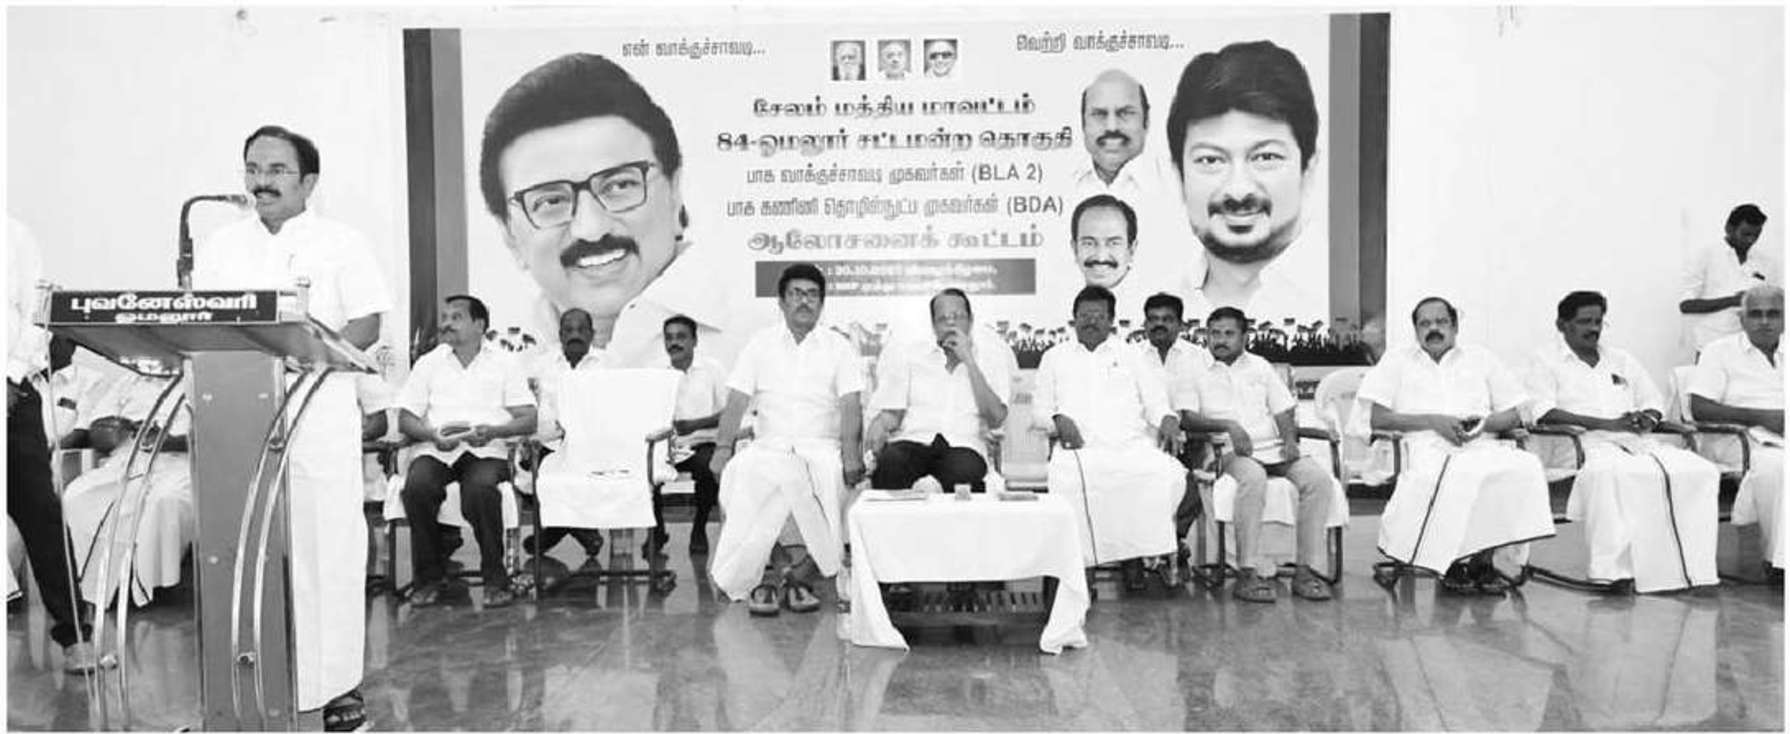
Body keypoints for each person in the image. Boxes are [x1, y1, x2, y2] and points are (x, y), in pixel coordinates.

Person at [191, 125, 392, 727]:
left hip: (317, 410)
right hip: (239, 412)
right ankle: (249, 681)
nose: (262, 181)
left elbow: (367, 323)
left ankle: (338, 685)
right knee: (245, 549)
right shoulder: (223, 246)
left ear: (309, 181)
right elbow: (205, 323)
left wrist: (313, 357)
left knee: (326, 548)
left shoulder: (342, 242)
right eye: (253, 168)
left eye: (277, 170)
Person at [479, 53, 740, 369]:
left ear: (674, 193)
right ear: (509, 235)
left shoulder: (753, 336)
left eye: (619, 185)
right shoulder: (495, 361)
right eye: (551, 202)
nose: (591, 229)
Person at [1525, 291, 1720, 593]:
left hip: (1635, 441)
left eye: (1598, 321)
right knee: (1611, 475)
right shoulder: (1545, 361)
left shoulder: (1621, 359)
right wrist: (1607, 424)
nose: (1593, 328)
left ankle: (1692, 568)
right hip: (1580, 445)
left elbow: (1652, 400)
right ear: (1562, 325)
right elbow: (1543, 412)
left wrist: (1648, 418)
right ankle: (1611, 572)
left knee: (1699, 471)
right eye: (1584, 322)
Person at [1358, 297, 1553, 594]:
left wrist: (1482, 425)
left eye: (1441, 322)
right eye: (1425, 323)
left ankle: (1482, 561)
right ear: (1415, 330)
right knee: (1460, 476)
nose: (1433, 329)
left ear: (1455, 326)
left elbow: (1516, 412)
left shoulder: (1481, 358)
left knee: (1522, 467)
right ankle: (1450, 563)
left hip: (1479, 442)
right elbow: (1377, 418)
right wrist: (1432, 421)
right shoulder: (1397, 361)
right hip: (1422, 445)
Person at [708, 264, 865, 616]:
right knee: (741, 475)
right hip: (769, 445)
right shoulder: (760, 344)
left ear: (821, 303)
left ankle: (800, 575)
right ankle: (778, 572)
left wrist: (851, 454)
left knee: (829, 478)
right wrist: (722, 448)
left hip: (820, 447)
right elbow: (737, 399)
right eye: (796, 294)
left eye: (812, 295)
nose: (804, 301)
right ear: (781, 302)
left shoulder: (838, 347)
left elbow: (850, 404)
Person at [1033, 285, 1186, 590]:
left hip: (1130, 447)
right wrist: (1058, 420)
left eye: (1099, 316)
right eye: (1084, 315)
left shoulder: (1132, 356)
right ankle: (1082, 566)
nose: (1091, 321)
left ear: (1111, 320)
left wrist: (1168, 420)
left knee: (1166, 474)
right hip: (1078, 451)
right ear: (1073, 318)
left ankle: (1136, 553)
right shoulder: (1055, 357)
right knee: (1071, 482)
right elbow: (1039, 412)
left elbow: (1156, 403)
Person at [1180, 307, 1333, 602]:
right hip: (1226, 450)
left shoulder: (1260, 366)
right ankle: (1246, 572)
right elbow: (1187, 418)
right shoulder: (1194, 370)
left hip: (1273, 448)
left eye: (1229, 334)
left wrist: (1289, 440)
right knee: (1253, 477)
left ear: (1244, 337)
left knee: (1318, 481)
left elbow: (1283, 408)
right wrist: (1228, 426)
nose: (1220, 340)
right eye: (1215, 333)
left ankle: (1305, 571)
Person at [1166, 40, 1324, 323]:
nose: (1238, 190)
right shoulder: (1151, 305)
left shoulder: (1335, 304)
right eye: (1210, 160)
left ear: (1309, 170)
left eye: (1265, 157)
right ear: (1179, 176)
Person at [397, 295, 538, 609]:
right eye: (445, 317)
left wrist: (494, 431)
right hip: (437, 448)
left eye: (456, 317)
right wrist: (431, 435)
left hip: (486, 449)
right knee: (417, 487)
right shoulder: (429, 363)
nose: (446, 323)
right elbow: (405, 419)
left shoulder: (504, 363)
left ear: (479, 325)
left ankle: (495, 581)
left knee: (480, 489)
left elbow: (529, 418)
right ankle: (428, 579)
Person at [7, 215, 96, 675]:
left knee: (40, 514)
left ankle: (75, 637)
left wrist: (10, 378)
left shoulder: (12, 234)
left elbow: (38, 313)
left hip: (11, 397)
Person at [61, 384, 194, 609]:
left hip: (183, 463)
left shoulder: (201, 379)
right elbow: (98, 432)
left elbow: (216, 432)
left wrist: (169, 440)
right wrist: (118, 430)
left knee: (164, 500)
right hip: (128, 460)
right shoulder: (128, 381)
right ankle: (94, 585)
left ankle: (149, 585)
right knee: (77, 495)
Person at [867, 288, 1011, 493]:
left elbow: (996, 418)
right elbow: (893, 414)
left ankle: (931, 492)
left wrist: (969, 361)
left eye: (958, 317)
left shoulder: (990, 358)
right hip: (915, 440)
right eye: (943, 319)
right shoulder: (912, 356)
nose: (951, 324)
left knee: (964, 470)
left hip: (964, 445)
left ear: (971, 321)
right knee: (891, 462)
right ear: (934, 325)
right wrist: (879, 424)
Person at [1687, 283, 1784, 571]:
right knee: (1780, 467)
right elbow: (1700, 408)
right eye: (1756, 314)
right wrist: (1761, 417)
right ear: (1742, 319)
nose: (1764, 322)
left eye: (1773, 314)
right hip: (1739, 437)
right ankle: (1779, 561)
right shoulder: (1719, 352)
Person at [524, 307, 608, 561]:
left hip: (595, 444)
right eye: (569, 330)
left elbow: (611, 408)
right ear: (560, 335)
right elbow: (535, 407)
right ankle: (583, 532)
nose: (575, 335)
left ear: (592, 334)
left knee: (576, 471)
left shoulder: (608, 365)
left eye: (581, 329)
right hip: (552, 442)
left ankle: (553, 533)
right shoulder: (541, 366)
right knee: (539, 471)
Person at [1135, 293, 1209, 557]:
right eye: (1153, 319)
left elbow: (1204, 405)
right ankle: (1143, 545)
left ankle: (1173, 539)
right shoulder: (1132, 356)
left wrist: (1181, 430)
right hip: (1143, 439)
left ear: (1180, 324)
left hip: (1189, 438)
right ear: (1145, 324)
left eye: (1167, 319)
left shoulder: (1199, 357)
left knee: (1197, 479)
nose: (1159, 324)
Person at [662, 314, 729, 555]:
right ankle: (657, 530)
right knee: (645, 471)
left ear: (694, 341)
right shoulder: (657, 373)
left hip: (702, 442)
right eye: (669, 338)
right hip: (667, 446)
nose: (674, 343)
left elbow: (728, 413)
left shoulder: (712, 370)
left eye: (681, 337)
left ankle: (699, 527)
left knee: (709, 466)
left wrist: (696, 425)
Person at [1679, 204, 1776, 351]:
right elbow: (1686, 306)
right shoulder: (1706, 256)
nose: (1751, 240)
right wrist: (1733, 300)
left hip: (1749, 348)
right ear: (1729, 229)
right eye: (1746, 234)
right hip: (1710, 347)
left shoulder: (1765, 262)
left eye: (1756, 235)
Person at [36, 335, 111, 447]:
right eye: (48, 340)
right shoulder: (28, 377)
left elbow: (82, 428)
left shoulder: (92, 380)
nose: (50, 346)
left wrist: (51, 451)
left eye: (56, 341)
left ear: (72, 347)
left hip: (60, 452)